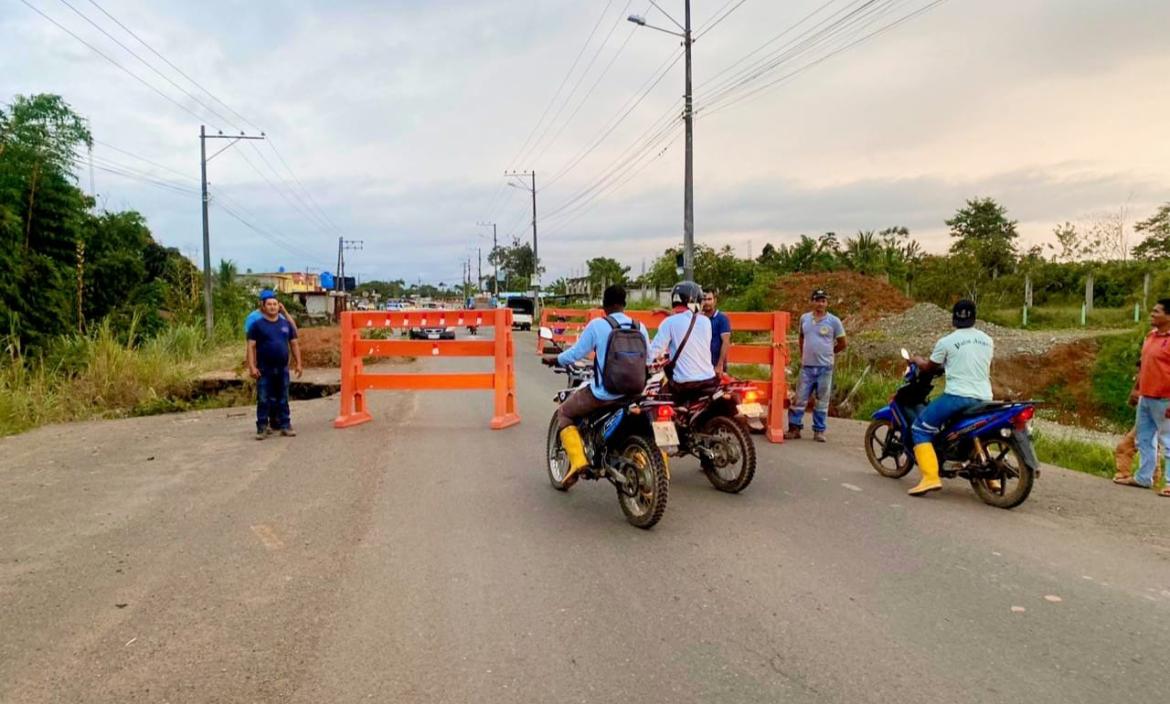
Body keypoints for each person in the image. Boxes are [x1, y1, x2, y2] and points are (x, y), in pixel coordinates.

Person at [541, 285, 649, 484]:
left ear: (604, 305)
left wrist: (556, 360)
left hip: (604, 394)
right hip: (634, 393)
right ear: (624, 304)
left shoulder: (599, 325)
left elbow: (575, 354)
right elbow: (647, 360)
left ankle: (578, 462)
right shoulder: (639, 327)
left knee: (565, 412)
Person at [906, 299, 993, 496]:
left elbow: (929, 367)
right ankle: (992, 481)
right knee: (972, 433)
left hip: (958, 396)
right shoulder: (987, 340)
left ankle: (930, 478)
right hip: (985, 397)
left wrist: (917, 360)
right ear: (974, 317)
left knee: (920, 428)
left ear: (954, 318)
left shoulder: (946, 342)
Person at [1115, 299, 1170, 496]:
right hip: (1146, 397)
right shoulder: (1151, 336)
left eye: (1157, 312)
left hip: (1165, 399)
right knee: (1144, 439)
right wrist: (1135, 389)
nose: (1152, 314)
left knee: (1168, 441)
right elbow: (1144, 366)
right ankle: (1144, 477)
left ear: (1168, 316)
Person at [786, 289, 846, 442]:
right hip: (807, 367)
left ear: (827, 303)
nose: (820, 303)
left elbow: (842, 343)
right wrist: (803, 354)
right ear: (812, 301)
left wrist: (830, 353)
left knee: (822, 401)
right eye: (817, 300)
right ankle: (794, 428)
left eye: (823, 301)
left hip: (825, 368)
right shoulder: (804, 319)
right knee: (799, 399)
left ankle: (819, 431)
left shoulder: (834, 321)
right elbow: (801, 337)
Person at [246, 290, 303, 440]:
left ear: (279, 306)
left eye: (275, 304)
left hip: (282, 368)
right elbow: (251, 346)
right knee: (264, 398)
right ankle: (262, 427)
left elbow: (294, 344)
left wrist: (299, 363)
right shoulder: (256, 325)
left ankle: (285, 425)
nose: (272, 307)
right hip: (264, 369)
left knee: (283, 398)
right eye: (269, 304)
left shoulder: (286, 324)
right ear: (263, 307)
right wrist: (252, 366)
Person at [649, 281, 717, 405]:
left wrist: (647, 360)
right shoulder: (706, 321)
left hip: (685, 384)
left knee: (658, 396)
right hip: (709, 379)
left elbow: (654, 352)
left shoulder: (669, 322)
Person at [703, 291, 732, 373]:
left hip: (716, 365)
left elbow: (725, 342)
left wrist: (720, 365)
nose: (706, 302)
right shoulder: (698, 319)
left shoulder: (722, 319)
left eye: (709, 299)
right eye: (704, 299)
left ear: (714, 301)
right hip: (702, 366)